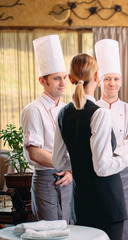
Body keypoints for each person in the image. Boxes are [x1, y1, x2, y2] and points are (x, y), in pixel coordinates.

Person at [52, 53, 128, 240]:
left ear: (70, 79)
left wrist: (80, 164)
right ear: (97, 78)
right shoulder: (100, 114)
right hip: (107, 205)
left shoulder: (62, 113)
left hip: (80, 203)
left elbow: (58, 161)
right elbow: (103, 167)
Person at [95, 39, 128, 240]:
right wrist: (125, 143)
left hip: (124, 175)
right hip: (99, 176)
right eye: (107, 79)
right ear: (99, 81)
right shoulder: (93, 109)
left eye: (116, 79)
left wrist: (115, 145)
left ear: (121, 81)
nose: (112, 83)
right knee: (102, 221)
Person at [21, 34, 72, 222]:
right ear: (43, 81)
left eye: (65, 78)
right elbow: (34, 152)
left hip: (68, 178)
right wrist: (67, 165)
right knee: (51, 231)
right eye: (57, 78)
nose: (63, 83)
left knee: (70, 230)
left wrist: (71, 171)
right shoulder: (33, 110)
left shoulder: (68, 108)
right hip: (45, 180)